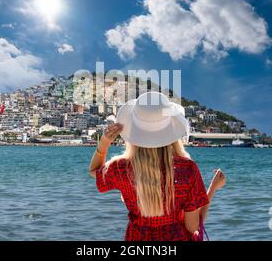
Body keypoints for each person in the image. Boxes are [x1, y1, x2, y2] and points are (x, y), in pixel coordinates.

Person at [89, 92, 226, 241]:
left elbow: (94, 171)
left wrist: (104, 142)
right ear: (171, 130)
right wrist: (212, 189)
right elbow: (193, 228)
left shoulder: (120, 168)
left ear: (134, 130)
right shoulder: (187, 169)